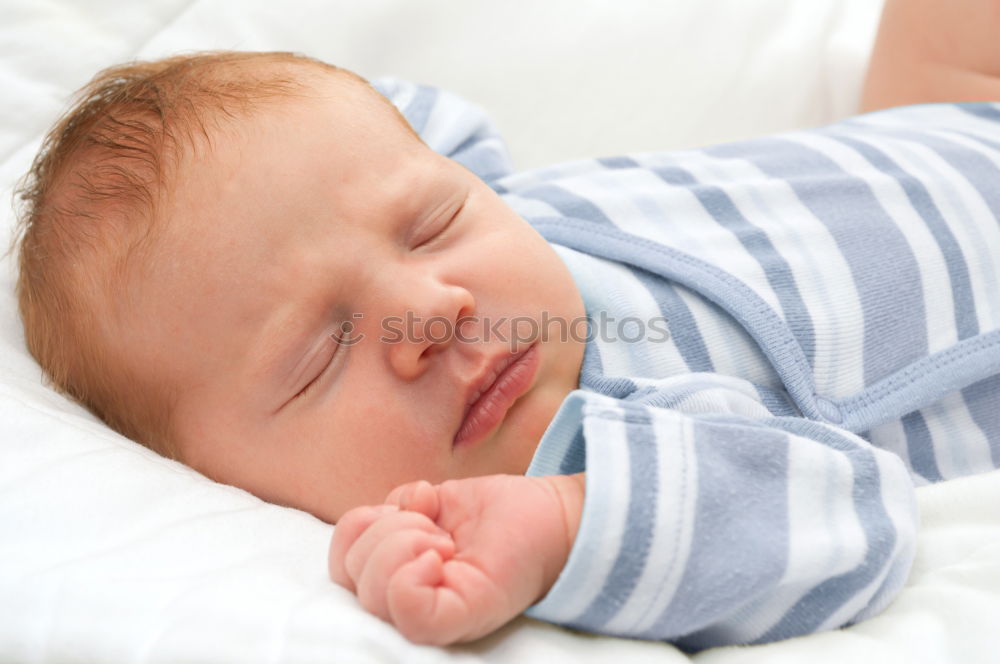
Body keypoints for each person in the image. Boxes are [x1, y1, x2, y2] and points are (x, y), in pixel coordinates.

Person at [11, 0, 1000, 651]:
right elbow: (845, 519)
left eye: (430, 224)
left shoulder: (465, 186)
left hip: (941, 121)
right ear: (223, 480)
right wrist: (570, 529)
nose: (430, 313)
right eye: (321, 356)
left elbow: (358, 134)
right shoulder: (605, 451)